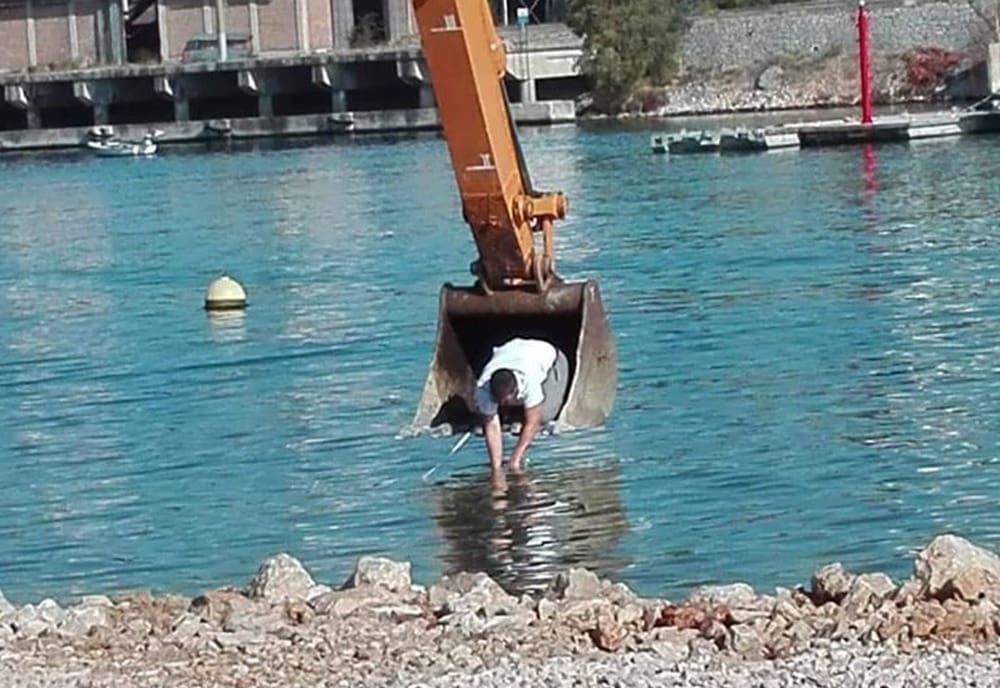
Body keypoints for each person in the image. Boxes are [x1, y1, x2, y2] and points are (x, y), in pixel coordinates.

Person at [473, 337, 569, 475]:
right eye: (498, 401)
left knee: (546, 415)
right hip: (512, 349)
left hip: (551, 358)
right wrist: (496, 469)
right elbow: (491, 427)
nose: (501, 404)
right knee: (490, 414)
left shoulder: (529, 381)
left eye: (505, 402)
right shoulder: (483, 387)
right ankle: (515, 413)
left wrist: (515, 460)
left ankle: (518, 412)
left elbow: (533, 423)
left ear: (515, 391)